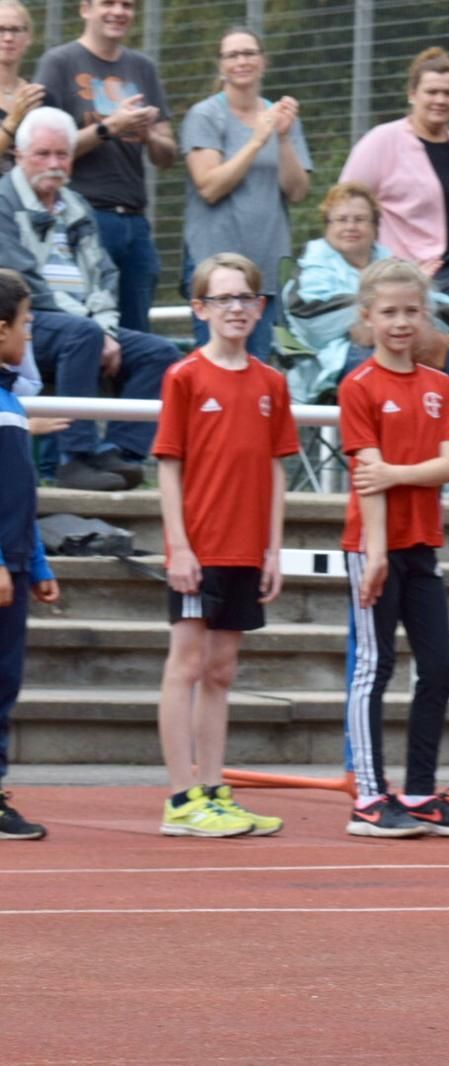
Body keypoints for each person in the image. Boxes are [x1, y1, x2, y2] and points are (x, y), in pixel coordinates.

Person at [338, 259, 449, 840]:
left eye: (410, 311)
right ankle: (369, 797)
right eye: (389, 312)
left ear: (425, 313)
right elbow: (366, 478)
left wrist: (398, 473)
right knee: (374, 667)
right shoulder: (358, 386)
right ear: (367, 316)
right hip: (374, 545)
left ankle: (421, 791)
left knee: (440, 663)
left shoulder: (439, 385)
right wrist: (376, 553)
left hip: (422, 542)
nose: (401, 322)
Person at [150, 253, 296, 837]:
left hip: (245, 548)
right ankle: (180, 798)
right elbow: (168, 466)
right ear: (200, 308)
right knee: (185, 664)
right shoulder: (185, 376)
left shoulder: (271, 383)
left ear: (259, 308)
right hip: (199, 547)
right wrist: (180, 548)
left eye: (245, 298)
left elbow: (277, 468)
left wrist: (273, 549)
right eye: (223, 298)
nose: (235, 308)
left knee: (222, 670)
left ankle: (213, 789)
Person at [0, 106, 180, 492]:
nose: (54, 164)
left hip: (85, 324)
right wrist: (95, 331)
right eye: (43, 154)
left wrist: (106, 330)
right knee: (81, 335)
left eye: (62, 154)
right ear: (19, 155)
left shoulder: (77, 204)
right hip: (24, 322)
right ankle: (74, 458)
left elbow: (104, 275)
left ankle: (119, 452)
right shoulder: (3, 201)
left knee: (159, 353)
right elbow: (24, 281)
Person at [288, 182, 449, 501]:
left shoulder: (392, 262)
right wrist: (377, 312)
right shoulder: (312, 265)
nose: (351, 226)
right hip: (336, 356)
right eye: (341, 219)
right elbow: (312, 321)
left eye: (360, 219)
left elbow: (439, 306)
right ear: (327, 225)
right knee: (372, 365)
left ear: (375, 226)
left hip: (407, 347)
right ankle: (396, 462)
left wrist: (404, 310)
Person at [35, 0, 176, 333]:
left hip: (136, 223)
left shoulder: (143, 67)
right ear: (85, 9)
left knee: (137, 334)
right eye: (108, 3)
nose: (119, 12)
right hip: (81, 217)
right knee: (87, 330)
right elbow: (43, 150)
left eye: (127, 5)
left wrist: (148, 135)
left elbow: (168, 156)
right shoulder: (59, 62)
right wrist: (110, 126)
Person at [180, 26, 311, 359]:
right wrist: (256, 141)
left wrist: (282, 138)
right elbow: (209, 187)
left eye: (249, 53)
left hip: (265, 272)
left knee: (258, 369)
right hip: (215, 273)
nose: (242, 61)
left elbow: (298, 192)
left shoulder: (280, 118)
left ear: (263, 62)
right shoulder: (205, 115)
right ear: (221, 65)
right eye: (233, 55)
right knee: (217, 367)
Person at [339, 48, 449, 316]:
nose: (440, 100)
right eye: (432, 92)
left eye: (448, 93)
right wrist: (365, 267)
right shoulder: (382, 140)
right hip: (402, 279)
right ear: (412, 94)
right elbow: (345, 206)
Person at [0, 267, 56, 841]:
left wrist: (36, 562)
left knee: (5, 680)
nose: (29, 336)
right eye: (26, 325)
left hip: (15, 567)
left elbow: (20, 495)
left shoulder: (12, 401)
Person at [0, 0, 46, 174]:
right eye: (0, 29)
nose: (8, 38)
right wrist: (14, 120)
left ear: (29, 38)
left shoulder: (38, 95)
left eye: (15, 30)